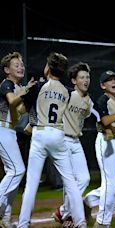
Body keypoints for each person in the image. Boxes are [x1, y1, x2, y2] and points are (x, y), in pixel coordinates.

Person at [17, 52, 86, 228]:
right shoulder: (68, 92)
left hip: (40, 133)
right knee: (70, 182)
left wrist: (26, 91)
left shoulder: (38, 86)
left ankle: (23, 224)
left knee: (32, 183)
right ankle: (81, 222)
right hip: (58, 133)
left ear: (48, 68)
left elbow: (22, 110)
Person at [51, 62, 95, 226]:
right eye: (82, 77)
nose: (86, 80)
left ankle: (62, 212)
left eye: (87, 77)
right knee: (69, 180)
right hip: (62, 140)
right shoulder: (67, 95)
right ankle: (68, 216)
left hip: (76, 141)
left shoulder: (88, 101)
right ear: (74, 81)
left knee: (84, 179)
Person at [83, 70, 115, 228]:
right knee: (111, 182)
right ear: (103, 85)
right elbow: (104, 120)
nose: (113, 82)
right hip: (106, 143)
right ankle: (102, 222)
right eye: (109, 80)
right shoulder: (102, 100)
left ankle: (87, 201)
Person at [0, 52, 35, 227]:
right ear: (7, 70)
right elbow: (12, 100)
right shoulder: (7, 84)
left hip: (9, 131)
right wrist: (23, 91)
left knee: (13, 172)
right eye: (16, 65)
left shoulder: (17, 86)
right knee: (17, 170)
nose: (21, 67)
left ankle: (5, 218)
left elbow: (18, 112)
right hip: (1, 130)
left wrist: (26, 92)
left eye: (21, 64)